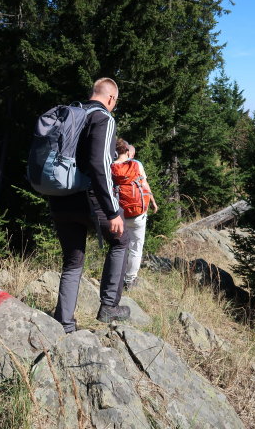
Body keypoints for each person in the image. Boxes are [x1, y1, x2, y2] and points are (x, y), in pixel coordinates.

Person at [49, 77, 130, 333]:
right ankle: (109, 306)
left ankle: (64, 324)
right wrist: (112, 210)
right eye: (114, 102)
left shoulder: (71, 114)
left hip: (60, 197)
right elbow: (99, 166)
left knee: (72, 262)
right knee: (121, 241)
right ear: (110, 99)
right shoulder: (103, 118)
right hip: (89, 199)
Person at [111, 140, 158, 289]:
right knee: (136, 247)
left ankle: (115, 278)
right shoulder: (136, 164)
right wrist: (153, 201)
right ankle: (130, 280)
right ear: (127, 151)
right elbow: (143, 184)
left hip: (119, 215)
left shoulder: (110, 166)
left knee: (119, 247)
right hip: (138, 213)